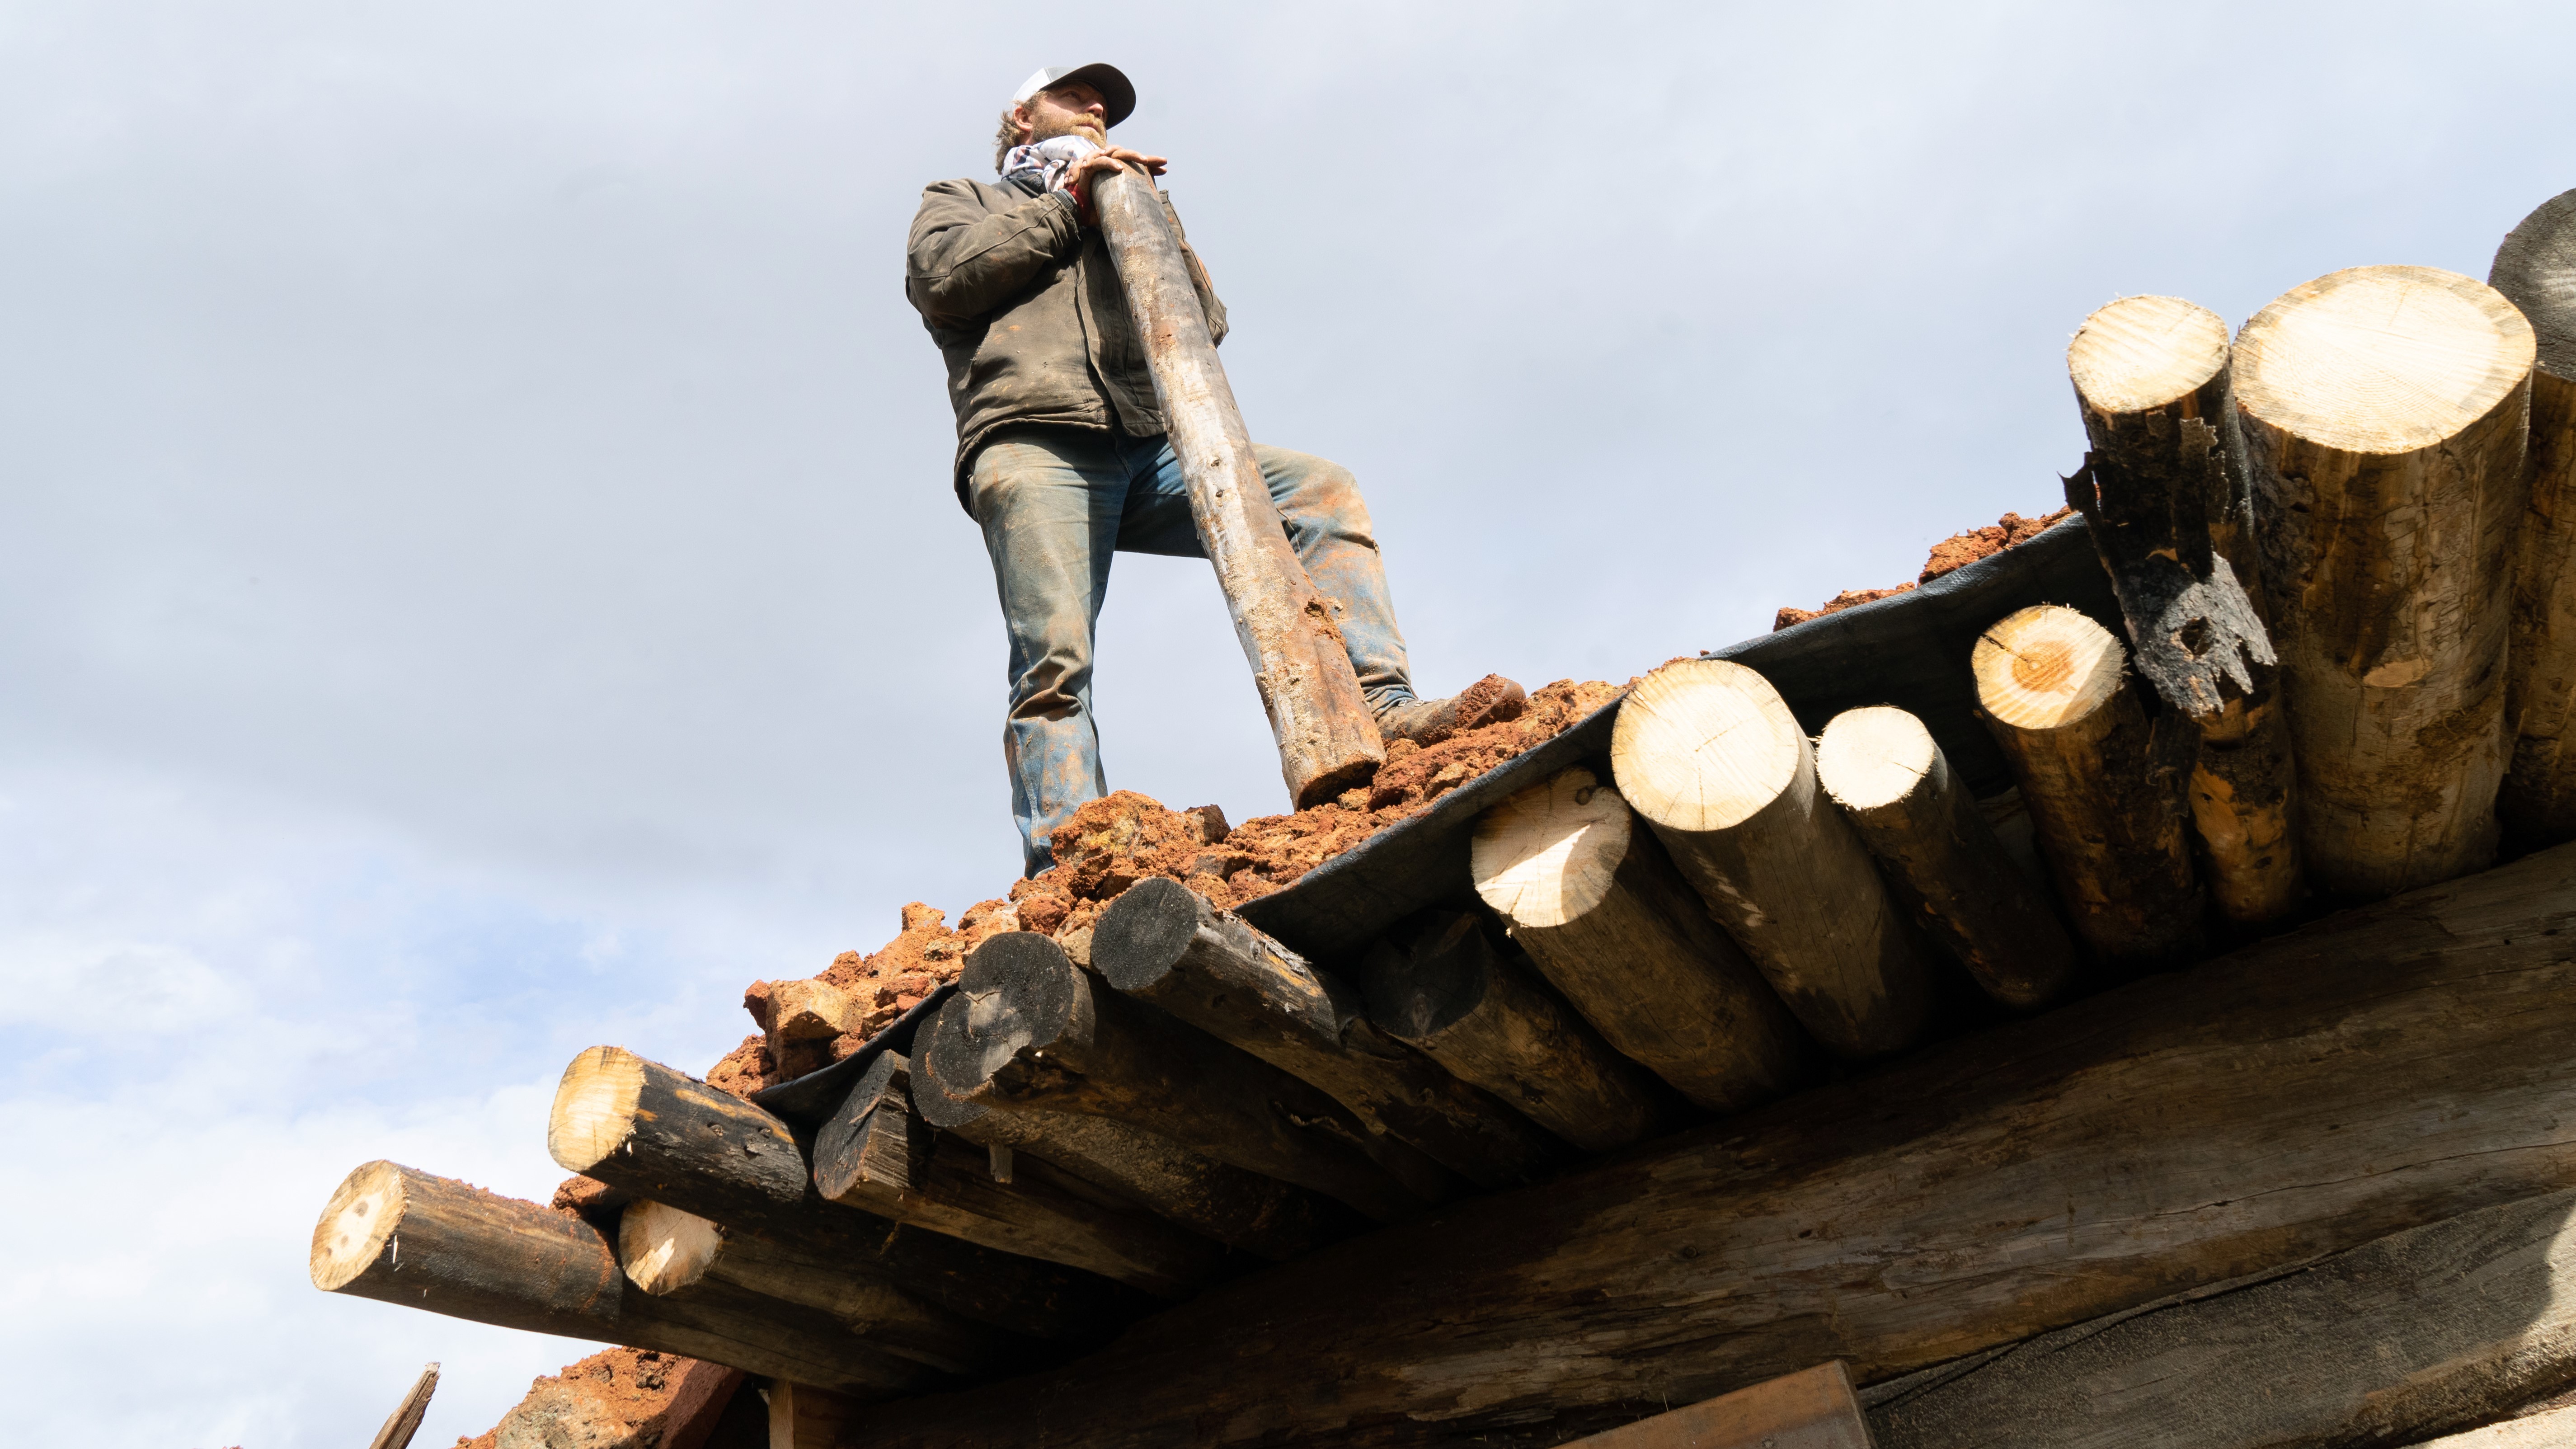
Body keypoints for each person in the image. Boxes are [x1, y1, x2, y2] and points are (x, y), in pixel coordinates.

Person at [906, 61, 1520, 874]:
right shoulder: (966, 200)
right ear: (1023, 117)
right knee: (1055, 658)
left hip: (1155, 447)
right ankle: (1074, 851)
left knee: (1317, 489)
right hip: (1037, 444)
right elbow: (943, 281)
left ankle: (1382, 705)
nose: (1098, 107)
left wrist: (1142, 216)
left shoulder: (1124, 197)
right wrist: (1068, 206)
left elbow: (1204, 324)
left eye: (1108, 104)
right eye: (1075, 96)